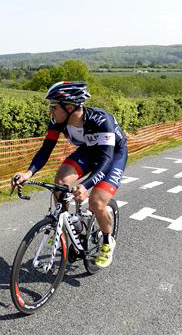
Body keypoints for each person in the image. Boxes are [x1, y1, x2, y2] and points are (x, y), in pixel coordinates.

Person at [11, 81, 127, 268]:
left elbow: (105, 161)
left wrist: (86, 185)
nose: (51, 111)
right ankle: (65, 228)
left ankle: (107, 241)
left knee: (96, 202)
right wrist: (28, 173)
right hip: (88, 151)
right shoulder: (58, 122)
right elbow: (45, 150)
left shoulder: (101, 120)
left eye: (54, 106)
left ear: (70, 107)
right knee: (61, 181)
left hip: (112, 156)